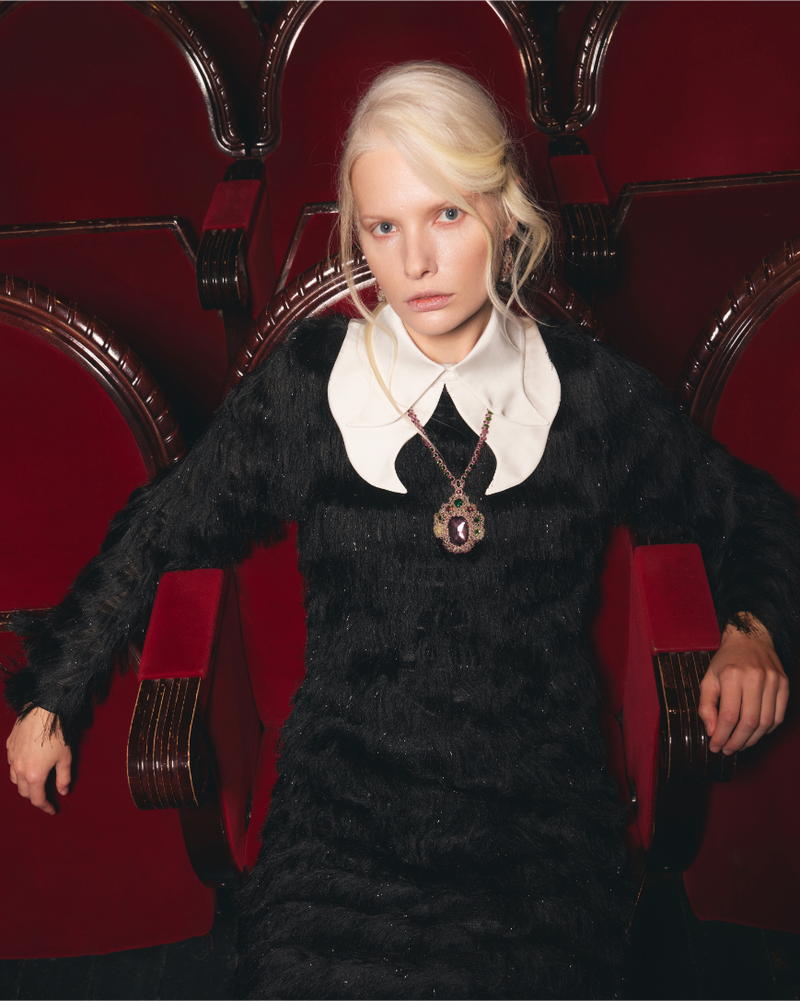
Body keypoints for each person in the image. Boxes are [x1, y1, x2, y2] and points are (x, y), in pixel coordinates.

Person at [6, 62, 799, 1001]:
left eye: (447, 214)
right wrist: (54, 695)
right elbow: (166, 524)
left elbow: (751, 510)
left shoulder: (588, 390)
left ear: (504, 212)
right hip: (343, 807)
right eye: (384, 227)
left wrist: (753, 631)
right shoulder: (310, 386)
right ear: (358, 234)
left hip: (534, 810)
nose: (415, 261)